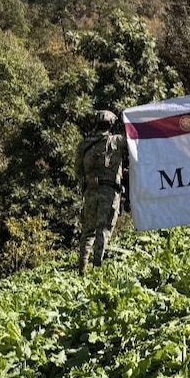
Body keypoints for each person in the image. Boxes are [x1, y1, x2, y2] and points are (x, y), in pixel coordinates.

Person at [76, 109, 127, 272]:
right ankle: (97, 267)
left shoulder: (84, 145)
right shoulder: (118, 141)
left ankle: (82, 267)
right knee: (103, 229)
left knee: (88, 230)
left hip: (90, 191)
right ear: (111, 124)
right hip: (109, 191)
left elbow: (78, 170)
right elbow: (137, 142)